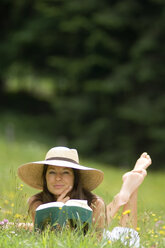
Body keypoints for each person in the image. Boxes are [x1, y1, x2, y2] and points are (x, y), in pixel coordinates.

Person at [17, 146, 151, 245]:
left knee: (130, 241)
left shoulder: (94, 202)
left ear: (75, 178)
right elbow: (44, 238)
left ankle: (128, 190)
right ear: (45, 177)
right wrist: (60, 213)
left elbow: (95, 242)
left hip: (100, 240)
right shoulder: (36, 202)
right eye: (52, 172)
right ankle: (126, 190)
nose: (58, 178)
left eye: (65, 172)